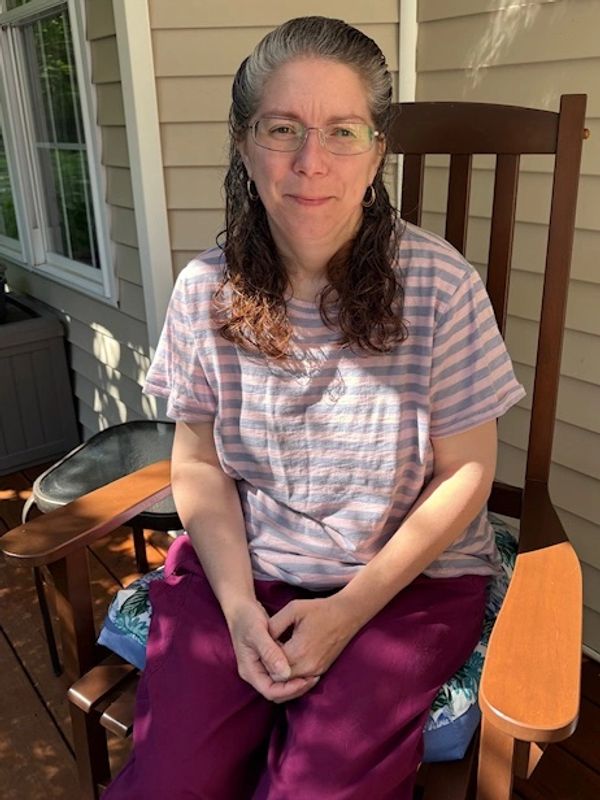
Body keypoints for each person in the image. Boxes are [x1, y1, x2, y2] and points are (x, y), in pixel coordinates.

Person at [104, 16, 525, 800]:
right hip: (242, 570)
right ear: (243, 144)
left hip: (406, 585)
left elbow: (468, 472)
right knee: (170, 782)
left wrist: (347, 611)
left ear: (377, 153)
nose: (310, 161)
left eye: (342, 130)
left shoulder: (441, 287)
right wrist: (234, 607)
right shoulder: (206, 292)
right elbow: (196, 461)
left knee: (317, 789)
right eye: (282, 128)